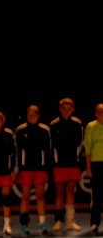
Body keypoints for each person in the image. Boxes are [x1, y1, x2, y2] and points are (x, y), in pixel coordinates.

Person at [15, 105, 52, 235]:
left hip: (40, 169)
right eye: (30, 114)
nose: (32, 116)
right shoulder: (20, 130)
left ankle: (42, 223)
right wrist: (17, 169)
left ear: (38, 115)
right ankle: (24, 223)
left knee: (40, 196)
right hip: (25, 170)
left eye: (34, 114)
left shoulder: (45, 130)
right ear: (26, 115)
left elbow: (48, 151)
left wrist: (44, 165)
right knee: (25, 196)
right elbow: (17, 152)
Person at [49, 98, 84, 231]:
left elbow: (80, 144)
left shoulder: (77, 124)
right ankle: (58, 221)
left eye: (69, 108)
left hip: (73, 164)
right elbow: (51, 147)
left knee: (70, 192)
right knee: (59, 192)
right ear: (60, 109)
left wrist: (77, 160)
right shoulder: (54, 125)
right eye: (63, 108)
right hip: (59, 164)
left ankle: (70, 221)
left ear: (73, 109)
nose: (66, 111)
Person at [83, 103, 103, 235]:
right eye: (100, 112)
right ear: (96, 114)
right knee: (96, 196)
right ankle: (94, 223)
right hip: (96, 165)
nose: (102, 115)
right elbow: (88, 148)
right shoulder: (91, 126)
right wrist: (89, 168)